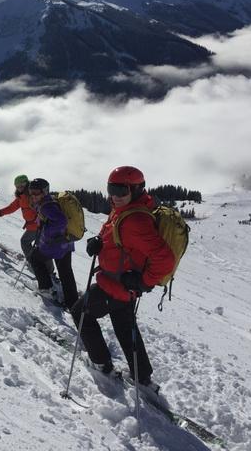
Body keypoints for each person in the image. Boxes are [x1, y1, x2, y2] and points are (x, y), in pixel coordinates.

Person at [73, 165, 175, 390]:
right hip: (123, 285)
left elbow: (165, 259)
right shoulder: (124, 209)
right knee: (124, 326)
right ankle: (142, 376)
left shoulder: (135, 220)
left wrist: (143, 282)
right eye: (111, 189)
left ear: (137, 189)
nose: (115, 196)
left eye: (122, 190)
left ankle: (101, 363)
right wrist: (98, 240)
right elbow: (114, 233)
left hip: (116, 285)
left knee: (80, 313)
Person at [0, 175, 54, 275]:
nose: (19, 188)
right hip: (32, 226)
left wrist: (42, 220)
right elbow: (11, 207)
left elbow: (40, 207)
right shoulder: (20, 197)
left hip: (39, 225)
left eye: (22, 185)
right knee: (33, 244)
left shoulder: (32, 195)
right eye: (17, 186)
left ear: (27, 184)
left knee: (37, 245)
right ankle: (39, 265)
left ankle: (47, 270)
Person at [28, 178, 78, 306]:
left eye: (36, 192)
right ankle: (73, 302)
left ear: (44, 191)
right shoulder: (50, 201)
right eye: (31, 192)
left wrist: (46, 231)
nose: (33, 195)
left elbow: (61, 221)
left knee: (34, 258)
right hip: (65, 242)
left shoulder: (47, 206)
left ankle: (46, 288)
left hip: (55, 244)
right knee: (66, 272)